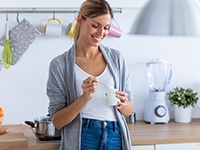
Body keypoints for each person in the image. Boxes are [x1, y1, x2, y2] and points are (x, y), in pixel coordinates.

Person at [47, 0, 134, 149]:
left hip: (115, 135)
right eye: (95, 26)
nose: (101, 33)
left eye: (106, 28)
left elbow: (129, 109)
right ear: (80, 20)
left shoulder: (116, 59)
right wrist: (84, 97)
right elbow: (57, 121)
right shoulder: (60, 65)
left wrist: (123, 103)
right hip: (83, 137)